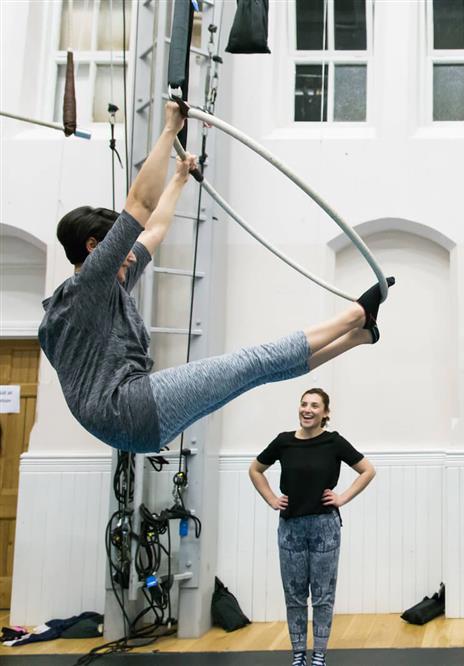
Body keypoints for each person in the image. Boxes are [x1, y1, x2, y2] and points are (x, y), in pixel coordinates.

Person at [38, 101, 392, 453]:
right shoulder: (90, 285)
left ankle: (356, 337)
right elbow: (140, 208)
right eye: (122, 249)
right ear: (93, 247)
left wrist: (178, 180)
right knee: (253, 361)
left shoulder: (92, 297)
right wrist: (169, 131)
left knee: (253, 374)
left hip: (130, 428)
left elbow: (155, 228)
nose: (131, 255)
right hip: (128, 408)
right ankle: (356, 314)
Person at [249, 387, 375, 666]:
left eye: (315, 405)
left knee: (322, 595)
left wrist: (342, 497)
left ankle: (319, 654)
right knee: (294, 596)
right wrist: (271, 498)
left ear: (325, 413)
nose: (307, 409)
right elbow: (255, 469)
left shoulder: (334, 442)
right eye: (304, 404)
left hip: (324, 529)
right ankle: (298, 655)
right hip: (291, 529)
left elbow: (368, 470)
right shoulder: (283, 442)